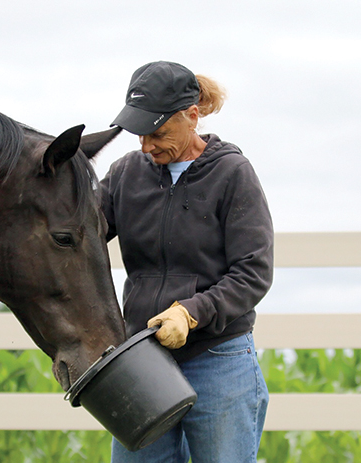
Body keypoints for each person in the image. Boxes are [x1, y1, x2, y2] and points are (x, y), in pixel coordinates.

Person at [100, 61, 274, 463]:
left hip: (217, 357)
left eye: (158, 133)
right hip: (142, 362)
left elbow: (254, 272)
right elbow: (78, 239)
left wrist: (190, 314)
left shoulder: (232, 173)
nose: (146, 145)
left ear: (192, 116)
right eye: (140, 133)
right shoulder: (125, 175)